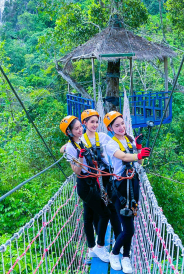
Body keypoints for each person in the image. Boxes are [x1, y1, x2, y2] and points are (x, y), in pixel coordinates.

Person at [104, 111, 151, 273]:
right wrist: (137, 153)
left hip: (133, 183)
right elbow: (123, 157)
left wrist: (139, 150)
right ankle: (114, 253)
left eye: (122, 123)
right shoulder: (111, 144)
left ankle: (126, 257)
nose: (121, 127)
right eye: (117, 125)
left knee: (130, 223)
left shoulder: (129, 139)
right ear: (110, 128)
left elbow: (140, 161)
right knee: (129, 229)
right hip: (120, 187)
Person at [59, 115, 110, 263]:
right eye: (76, 128)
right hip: (84, 185)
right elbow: (77, 170)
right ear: (69, 132)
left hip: (92, 181)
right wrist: (80, 157)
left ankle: (92, 248)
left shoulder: (81, 140)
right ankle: (100, 247)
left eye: (80, 127)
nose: (80, 129)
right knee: (104, 213)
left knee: (88, 217)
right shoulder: (70, 147)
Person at [80, 109, 122, 247]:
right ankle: (95, 245)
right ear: (84, 123)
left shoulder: (103, 137)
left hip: (104, 176)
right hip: (89, 179)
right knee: (90, 212)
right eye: (92, 122)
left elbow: (116, 142)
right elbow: (68, 148)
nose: (95, 124)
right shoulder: (80, 140)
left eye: (97, 122)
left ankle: (118, 239)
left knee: (111, 207)